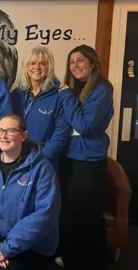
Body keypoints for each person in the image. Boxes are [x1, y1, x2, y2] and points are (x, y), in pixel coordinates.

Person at [0, 115, 60, 270]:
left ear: (23, 136)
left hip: (31, 246)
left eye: (10, 131)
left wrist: (7, 248)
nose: (3, 136)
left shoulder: (42, 168)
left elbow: (45, 213)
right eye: (0, 131)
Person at [59, 45, 114, 270]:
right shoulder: (77, 89)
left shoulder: (101, 90)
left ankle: (93, 262)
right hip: (71, 158)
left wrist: (66, 95)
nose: (75, 66)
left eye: (80, 60)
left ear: (92, 63)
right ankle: (72, 258)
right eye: (72, 62)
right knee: (71, 213)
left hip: (89, 164)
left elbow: (84, 125)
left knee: (87, 216)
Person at [11, 46, 69, 173]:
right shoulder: (16, 94)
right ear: (26, 67)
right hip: (17, 158)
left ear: (49, 68)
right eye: (32, 63)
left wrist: (40, 158)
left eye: (42, 63)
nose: (37, 67)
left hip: (45, 161)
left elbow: (61, 134)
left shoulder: (58, 96)